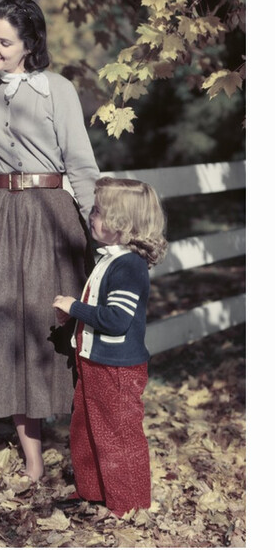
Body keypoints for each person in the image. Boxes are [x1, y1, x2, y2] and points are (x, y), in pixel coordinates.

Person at [0, 0, 100, 481]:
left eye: (3, 40)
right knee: (6, 327)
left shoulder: (58, 90)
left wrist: (99, 230)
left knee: (49, 326)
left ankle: (89, 445)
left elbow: (80, 164)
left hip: (51, 217)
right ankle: (32, 457)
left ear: (29, 44)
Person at [52, 176, 168, 517]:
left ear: (123, 223)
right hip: (94, 361)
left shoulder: (129, 266)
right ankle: (94, 491)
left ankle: (129, 504)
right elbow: (102, 308)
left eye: (100, 212)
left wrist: (75, 307)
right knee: (86, 427)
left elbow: (117, 319)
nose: (92, 215)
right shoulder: (111, 258)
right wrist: (73, 319)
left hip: (117, 367)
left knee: (118, 434)